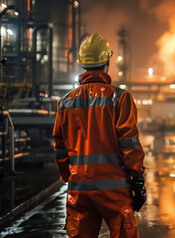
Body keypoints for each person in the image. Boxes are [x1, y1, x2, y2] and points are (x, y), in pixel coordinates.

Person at [53, 33, 146, 237]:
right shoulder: (120, 98)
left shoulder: (65, 102)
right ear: (107, 62)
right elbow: (129, 143)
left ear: (83, 65)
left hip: (79, 187)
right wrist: (137, 178)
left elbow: (59, 149)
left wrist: (69, 176)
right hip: (114, 188)